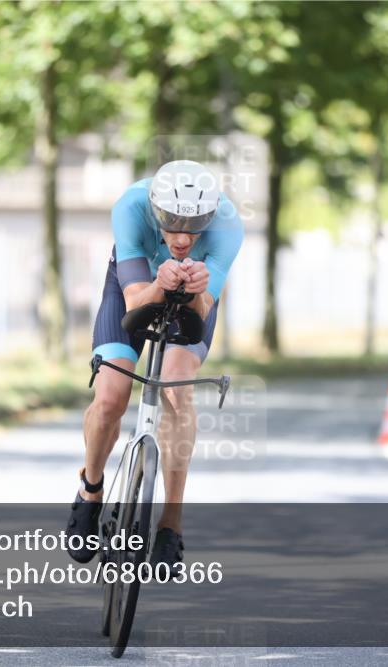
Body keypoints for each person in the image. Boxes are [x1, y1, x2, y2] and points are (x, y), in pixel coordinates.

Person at [65, 160, 243, 568]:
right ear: (155, 209)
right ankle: (90, 490)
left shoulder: (229, 225)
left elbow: (203, 310)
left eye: (195, 225)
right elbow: (132, 306)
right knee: (111, 396)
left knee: (177, 388)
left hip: (191, 293)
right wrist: (159, 284)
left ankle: (171, 523)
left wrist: (196, 290)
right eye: (171, 222)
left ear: (211, 216)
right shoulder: (130, 207)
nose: (183, 237)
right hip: (137, 285)